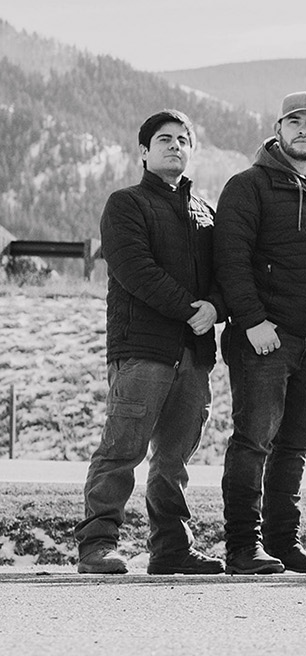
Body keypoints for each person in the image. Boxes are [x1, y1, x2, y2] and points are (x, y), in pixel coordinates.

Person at [73, 110, 225, 575]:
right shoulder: (126, 204)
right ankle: (98, 543)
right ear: (143, 151)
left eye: (183, 139)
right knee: (123, 449)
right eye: (164, 139)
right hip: (141, 349)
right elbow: (135, 271)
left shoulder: (205, 213)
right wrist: (193, 309)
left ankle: (172, 548)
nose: (175, 145)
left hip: (194, 353)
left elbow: (225, 274)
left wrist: (216, 308)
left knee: (174, 458)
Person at [214, 90, 306, 575]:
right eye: (295, 121)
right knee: (254, 441)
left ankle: (283, 543)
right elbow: (229, 259)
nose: (304, 130)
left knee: (295, 446)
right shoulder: (247, 186)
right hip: (264, 338)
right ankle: (242, 547)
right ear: (278, 128)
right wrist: (252, 322)